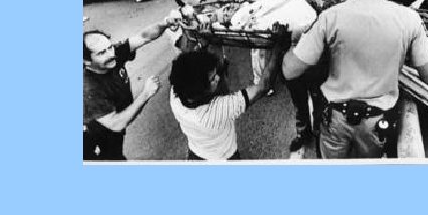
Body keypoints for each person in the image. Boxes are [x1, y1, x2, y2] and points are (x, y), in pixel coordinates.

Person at [282, 0, 428, 159]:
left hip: (336, 120)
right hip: (377, 124)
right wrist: (427, 49)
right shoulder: (409, 19)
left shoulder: (330, 17)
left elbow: (291, 71)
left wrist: (292, 43)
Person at [83, 14, 179, 161]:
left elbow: (143, 37)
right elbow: (116, 123)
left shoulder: (111, 55)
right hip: (97, 133)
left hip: (113, 123)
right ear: (86, 61)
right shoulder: (89, 89)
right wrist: (146, 94)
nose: (111, 54)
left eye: (109, 47)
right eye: (102, 53)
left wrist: (165, 23)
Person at [169, 47, 280, 160]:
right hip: (224, 157)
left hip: (196, 151)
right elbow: (262, 87)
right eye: (212, 79)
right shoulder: (216, 112)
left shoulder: (176, 93)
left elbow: (189, 66)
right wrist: (277, 49)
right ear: (199, 91)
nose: (217, 78)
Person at [276, 0, 327, 152]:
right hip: (292, 65)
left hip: (314, 65)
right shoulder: (279, 5)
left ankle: (320, 132)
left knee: (319, 100)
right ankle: (302, 133)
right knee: (299, 103)